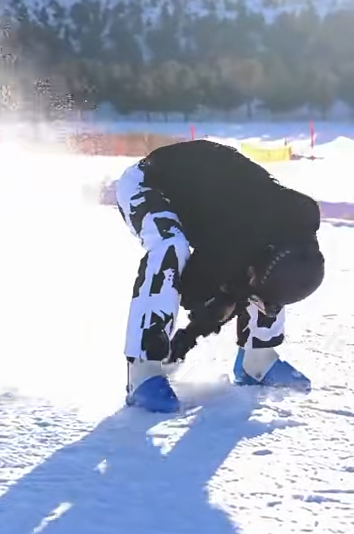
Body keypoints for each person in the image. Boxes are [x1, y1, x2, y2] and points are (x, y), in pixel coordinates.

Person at [115, 139, 325, 413]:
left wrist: (248, 293)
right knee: (170, 247)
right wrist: (185, 339)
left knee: (268, 281)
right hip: (148, 183)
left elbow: (253, 281)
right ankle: (143, 371)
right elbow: (193, 294)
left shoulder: (298, 226)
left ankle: (258, 361)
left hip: (217, 200)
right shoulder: (231, 241)